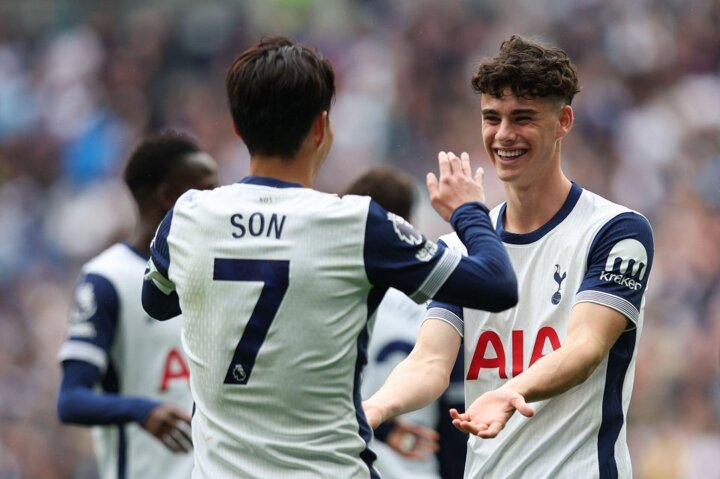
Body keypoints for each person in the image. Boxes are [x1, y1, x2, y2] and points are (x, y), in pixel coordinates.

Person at [141, 36, 518, 479]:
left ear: (238, 129)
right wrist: (468, 211)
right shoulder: (355, 224)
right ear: (321, 128)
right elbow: (497, 284)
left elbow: (157, 302)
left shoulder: (187, 216)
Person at [363, 35, 655, 479]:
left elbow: (586, 347)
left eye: (522, 118)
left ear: (563, 122)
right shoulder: (461, 248)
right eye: (491, 118)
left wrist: (510, 391)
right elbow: (429, 362)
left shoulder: (615, 231)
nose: (503, 135)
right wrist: (373, 408)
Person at [56, 131, 219, 479]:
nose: (218, 203)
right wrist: (141, 410)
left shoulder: (215, 273)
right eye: (207, 191)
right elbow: (71, 399)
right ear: (168, 197)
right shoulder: (107, 279)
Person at [347, 167, 467, 479]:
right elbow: (455, 413)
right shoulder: (435, 304)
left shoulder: (334, 300)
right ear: (409, 225)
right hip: (416, 469)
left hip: (344, 468)